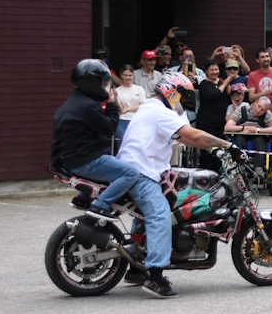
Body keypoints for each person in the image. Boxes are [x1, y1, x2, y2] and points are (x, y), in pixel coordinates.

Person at [117, 72, 242, 298]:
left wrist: (212, 147)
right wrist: (227, 145)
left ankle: (136, 268)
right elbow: (191, 133)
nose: (183, 102)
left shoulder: (151, 107)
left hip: (143, 170)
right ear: (171, 91)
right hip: (141, 173)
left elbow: (183, 137)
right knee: (159, 215)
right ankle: (155, 276)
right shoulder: (159, 111)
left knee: (147, 214)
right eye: (182, 97)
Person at [50, 59, 140, 220]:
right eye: (102, 84)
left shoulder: (64, 107)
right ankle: (100, 206)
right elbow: (110, 128)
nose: (104, 88)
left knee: (110, 170)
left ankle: (83, 198)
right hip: (88, 160)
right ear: (90, 84)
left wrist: (56, 166)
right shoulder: (88, 106)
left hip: (72, 162)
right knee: (131, 173)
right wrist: (112, 104)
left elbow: (57, 140)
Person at [193, 61, 232, 169]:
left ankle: (217, 175)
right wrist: (225, 83)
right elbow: (213, 95)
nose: (215, 72)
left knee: (219, 152)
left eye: (216, 69)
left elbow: (229, 97)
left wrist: (227, 84)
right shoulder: (204, 84)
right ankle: (205, 176)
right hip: (206, 123)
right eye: (212, 70)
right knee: (207, 151)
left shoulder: (221, 83)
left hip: (220, 123)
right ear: (206, 71)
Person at [224, 96, 272, 161]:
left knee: (259, 140)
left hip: (259, 137)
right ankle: (239, 164)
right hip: (242, 135)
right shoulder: (241, 110)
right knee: (239, 139)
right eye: (258, 106)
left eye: (262, 110)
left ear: (266, 111)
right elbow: (227, 127)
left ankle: (259, 168)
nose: (258, 110)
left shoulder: (268, 114)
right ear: (255, 101)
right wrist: (244, 127)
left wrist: (257, 130)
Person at [246, 47, 272, 118]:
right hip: (257, 114)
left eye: (267, 56)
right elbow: (251, 98)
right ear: (257, 60)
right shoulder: (252, 75)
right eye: (262, 57)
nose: (266, 59)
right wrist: (264, 92)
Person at [113, 64, 146, 143]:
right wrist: (116, 97)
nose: (127, 78)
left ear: (133, 75)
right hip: (121, 121)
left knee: (136, 143)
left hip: (136, 120)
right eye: (125, 75)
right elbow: (121, 110)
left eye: (130, 75)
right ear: (121, 75)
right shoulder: (117, 90)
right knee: (122, 143)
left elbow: (143, 106)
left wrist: (127, 109)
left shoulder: (139, 89)